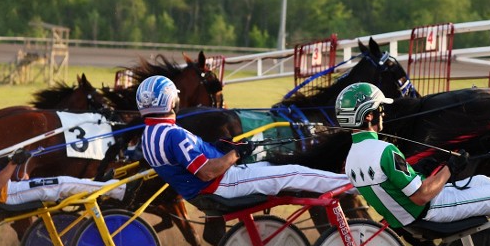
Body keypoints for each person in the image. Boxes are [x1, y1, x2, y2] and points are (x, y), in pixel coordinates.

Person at [335, 82, 490, 229]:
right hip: (435, 209)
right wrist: (450, 167)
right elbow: (421, 196)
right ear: (368, 115)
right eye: (380, 108)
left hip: (407, 216)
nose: (384, 113)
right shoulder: (385, 151)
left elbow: (399, 185)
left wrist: (421, 171)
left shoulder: (351, 160)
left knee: (482, 181)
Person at [136, 75, 349, 203]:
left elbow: (194, 160)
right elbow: (207, 171)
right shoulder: (174, 134)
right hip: (224, 183)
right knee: (294, 173)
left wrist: (220, 148)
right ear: (172, 102)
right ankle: (352, 184)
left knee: (280, 164)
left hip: (215, 184)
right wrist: (235, 154)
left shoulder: (149, 136)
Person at [0, 149, 127, 206]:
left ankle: (98, 185)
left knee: (62, 183)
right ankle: (117, 189)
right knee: (62, 183)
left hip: (13, 189)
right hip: (9, 195)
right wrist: (13, 162)